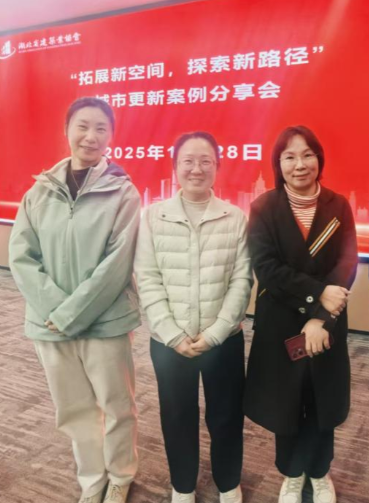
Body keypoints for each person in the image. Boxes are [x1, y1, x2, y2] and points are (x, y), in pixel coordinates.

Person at [8, 97, 141, 503]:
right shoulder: (39, 191)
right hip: (49, 324)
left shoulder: (123, 192)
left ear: (111, 135)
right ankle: (92, 478)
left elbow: (117, 264)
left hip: (105, 322)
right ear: (67, 130)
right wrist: (56, 310)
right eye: (82, 126)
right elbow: (21, 256)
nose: (91, 136)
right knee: (74, 408)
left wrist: (71, 313)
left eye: (101, 128)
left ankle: (120, 475)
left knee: (117, 406)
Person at [134, 131, 252, 503]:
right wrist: (171, 334)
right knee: (177, 415)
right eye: (188, 161)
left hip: (223, 340)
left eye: (205, 161)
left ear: (217, 167)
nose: (196, 169)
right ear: (175, 167)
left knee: (226, 416)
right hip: (169, 342)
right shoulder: (153, 217)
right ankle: (182, 486)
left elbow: (241, 280)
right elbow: (147, 277)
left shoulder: (235, 217)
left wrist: (216, 333)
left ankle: (228, 482)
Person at [244, 125, 358, 503]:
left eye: (307, 154)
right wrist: (317, 296)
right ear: (278, 164)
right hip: (281, 323)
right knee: (287, 401)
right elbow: (267, 268)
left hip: (327, 323)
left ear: (319, 159)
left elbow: (346, 264)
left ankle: (320, 473)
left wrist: (320, 318)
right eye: (289, 157)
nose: (300, 164)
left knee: (322, 399)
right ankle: (293, 474)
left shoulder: (337, 205)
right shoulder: (264, 208)